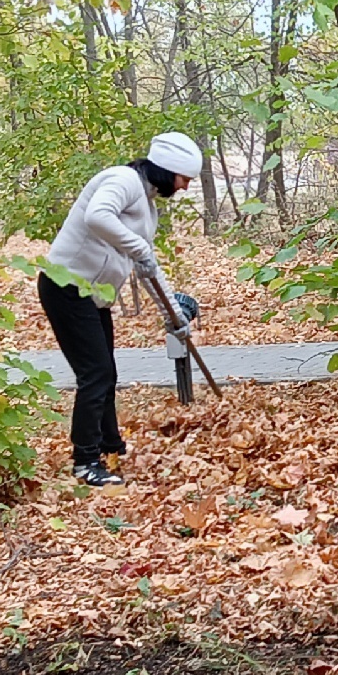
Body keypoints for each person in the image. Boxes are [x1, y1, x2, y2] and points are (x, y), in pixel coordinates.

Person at [41, 133, 202, 488]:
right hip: (65, 286)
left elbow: (148, 268)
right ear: (167, 170)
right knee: (95, 374)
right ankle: (85, 462)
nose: (186, 187)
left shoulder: (147, 206)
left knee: (106, 371)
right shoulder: (123, 180)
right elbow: (98, 216)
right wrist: (138, 249)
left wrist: (174, 317)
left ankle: (109, 444)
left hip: (92, 294)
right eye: (185, 179)